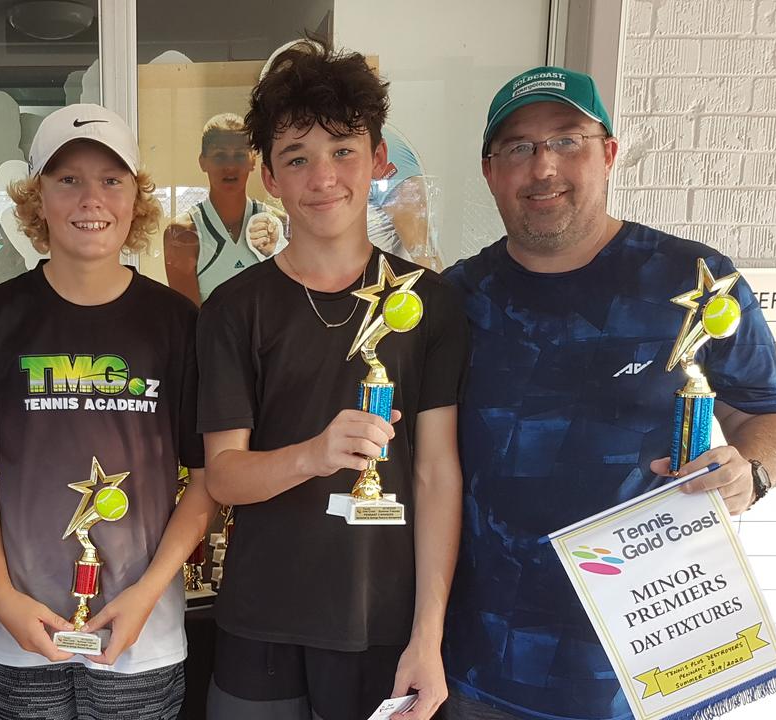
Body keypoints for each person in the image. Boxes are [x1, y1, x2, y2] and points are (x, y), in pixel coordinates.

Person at [441, 66, 776, 720]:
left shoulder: (700, 282)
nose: (543, 165)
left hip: (652, 671)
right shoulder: (456, 300)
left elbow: (769, 416)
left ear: (608, 153)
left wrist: (752, 473)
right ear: (491, 172)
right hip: (484, 668)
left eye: (567, 140)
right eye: (518, 147)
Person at [196, 40, 466, 720]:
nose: (324, 177)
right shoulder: (235, 308)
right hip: (261, 622)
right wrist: (315, 454)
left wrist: (428, 636)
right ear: (269, 178)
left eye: (343, 150)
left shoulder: (429, 303)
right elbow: (223, 477)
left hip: (382, 623)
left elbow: (436, 474)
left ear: (378, 159)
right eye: (297, 158)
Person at [0, 103, 213, 720]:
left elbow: (204, 482)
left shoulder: (177, 324)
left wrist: (150, 594)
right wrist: (1, 595)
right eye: (68, 179)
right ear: (36, 197)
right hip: (23, 632)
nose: (90, 198)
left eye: (111, 180)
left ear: (134, 198)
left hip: (141, 633)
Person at [164, 112, 287, 305]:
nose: (230, 166)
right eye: (220, 156)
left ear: (253, 160)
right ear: (202, 162)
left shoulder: (279, 224)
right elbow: (188, 322)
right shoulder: (182, 233)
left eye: (239, 155)